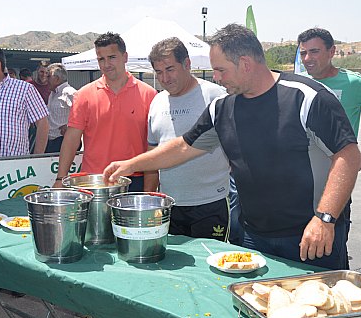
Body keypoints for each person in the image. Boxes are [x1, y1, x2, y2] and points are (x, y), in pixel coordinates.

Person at [104, 24, 361, 271]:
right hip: (253, 237)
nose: (215, 77)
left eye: (220, 70)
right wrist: (131, 164)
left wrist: (325, 218)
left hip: (311, 235)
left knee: (320, 300)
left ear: (245, 64)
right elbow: (183, 147)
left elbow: (347, 155)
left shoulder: (307, 97)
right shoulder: (222, 107)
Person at [145, 37, 231, 241]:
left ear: (187, 64)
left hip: (211, 203)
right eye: (158, 72)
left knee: (211, 260)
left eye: (170, 69)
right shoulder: (157, 102)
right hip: (170, 206)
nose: (165, 78)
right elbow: (152, 155)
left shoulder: (216, 96)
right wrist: (149, 200)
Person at [53, 32, 157, 192]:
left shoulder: (149, 94)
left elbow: (153, 146)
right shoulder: (83, 95)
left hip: (135, 179)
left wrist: (149, 191)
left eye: (112, 57)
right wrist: (60, 178)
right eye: (101, 59)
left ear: (125, 57)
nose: (106, 64)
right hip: (94, 181)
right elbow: (71, 139)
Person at [297, 28, 361, 170]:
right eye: (303, 53)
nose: (307, 58)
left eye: (314, 51)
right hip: (299, 171)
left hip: (337, 172)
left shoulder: (354, 83)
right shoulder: (297, 82)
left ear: (331, 52)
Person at [45, 63, 77, 153]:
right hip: (52, 140)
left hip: (63, 140)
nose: (46, 80)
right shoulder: (53, 93)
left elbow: (84, 111)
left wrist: (69, 126)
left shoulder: (69, 92)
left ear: (57, 79)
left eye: (49, 77)